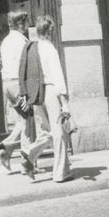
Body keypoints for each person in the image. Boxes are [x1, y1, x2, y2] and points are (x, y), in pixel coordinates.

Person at [18, 14, 71, 183]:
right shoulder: (50, 49)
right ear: (49, 31)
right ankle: (60, 173)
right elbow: (58, 77)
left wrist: (28, 96)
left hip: (37, 95)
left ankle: (29, 154)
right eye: (52, 30)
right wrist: (65, 103)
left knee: (47, 132)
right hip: (51, 93)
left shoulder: (31, 48)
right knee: (59, 133)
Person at [0, 10, 30, 171]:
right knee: (28, 124)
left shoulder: (6, 41)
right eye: (25, 22)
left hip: (7, 84)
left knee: (22, 120)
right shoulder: (21, 42)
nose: (27, 25)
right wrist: (26, 92)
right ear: (20, 24)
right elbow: (24, 68)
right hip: (18, 84)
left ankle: (7, 149)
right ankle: (28, 164)